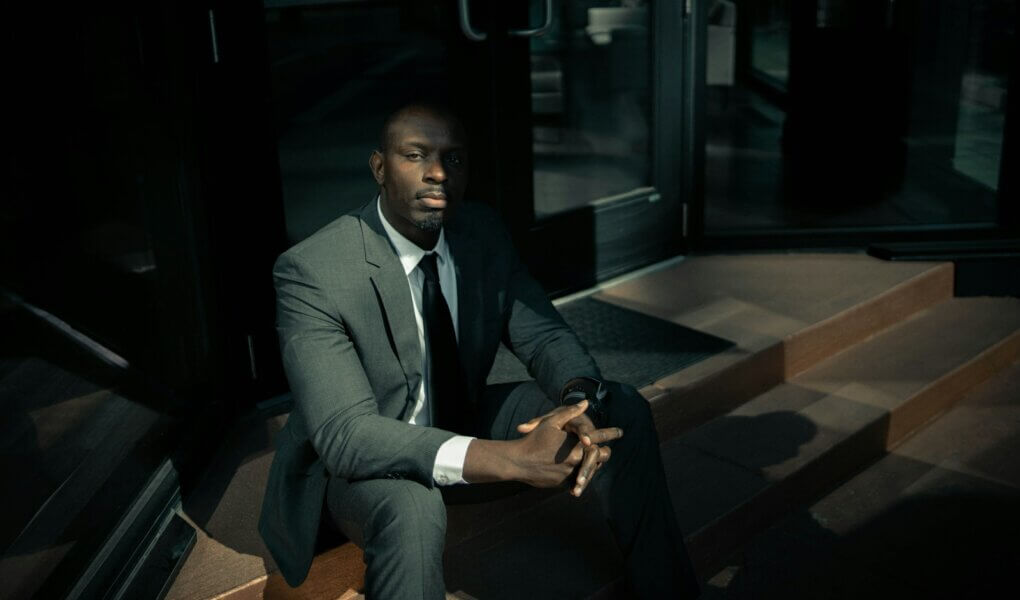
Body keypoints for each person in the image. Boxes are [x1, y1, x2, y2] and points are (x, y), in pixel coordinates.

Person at [259, 103, 699, 599]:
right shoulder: (315, 270)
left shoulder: (480, 232)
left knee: (621, 408)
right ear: (379, 168)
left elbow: (545, 336)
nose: (439, 173)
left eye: (455, 159)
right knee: (413, 508)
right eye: (416, 155)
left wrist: (576, 404)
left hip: (461, 422)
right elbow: (347, 436)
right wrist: (512, 460)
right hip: (362, 465)